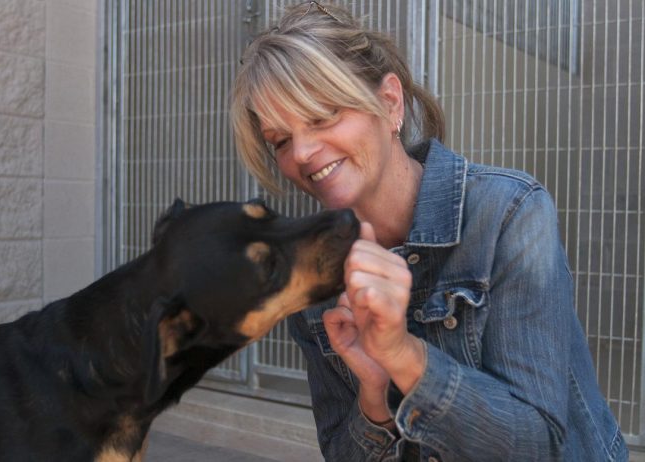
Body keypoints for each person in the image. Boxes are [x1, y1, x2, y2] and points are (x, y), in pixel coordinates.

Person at [230, 2, 627, 461]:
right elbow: (342, 451)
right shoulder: (314, 274)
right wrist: (374, 397)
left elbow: (536, 444)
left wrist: (402, 354)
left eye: (323, 115)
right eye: (281, 140)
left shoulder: (507, 213)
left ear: (389, 103)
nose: (301, 152)